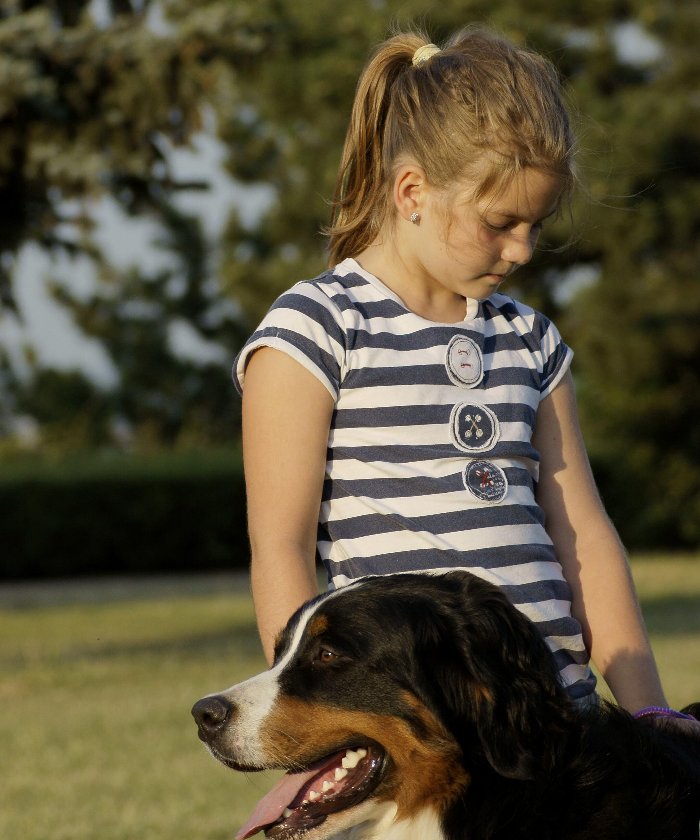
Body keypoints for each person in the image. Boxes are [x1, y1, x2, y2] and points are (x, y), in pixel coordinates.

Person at [234, 26, 697, 727]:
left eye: (536, 226)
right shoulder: (317, 328)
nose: (522, 249)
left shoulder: (529, 338)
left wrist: (646, 708)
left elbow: (584, 536)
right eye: (501, 222)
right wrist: (309, 715)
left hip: (554, 722)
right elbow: (281, 546)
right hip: (425, 734)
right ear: (412, 190)